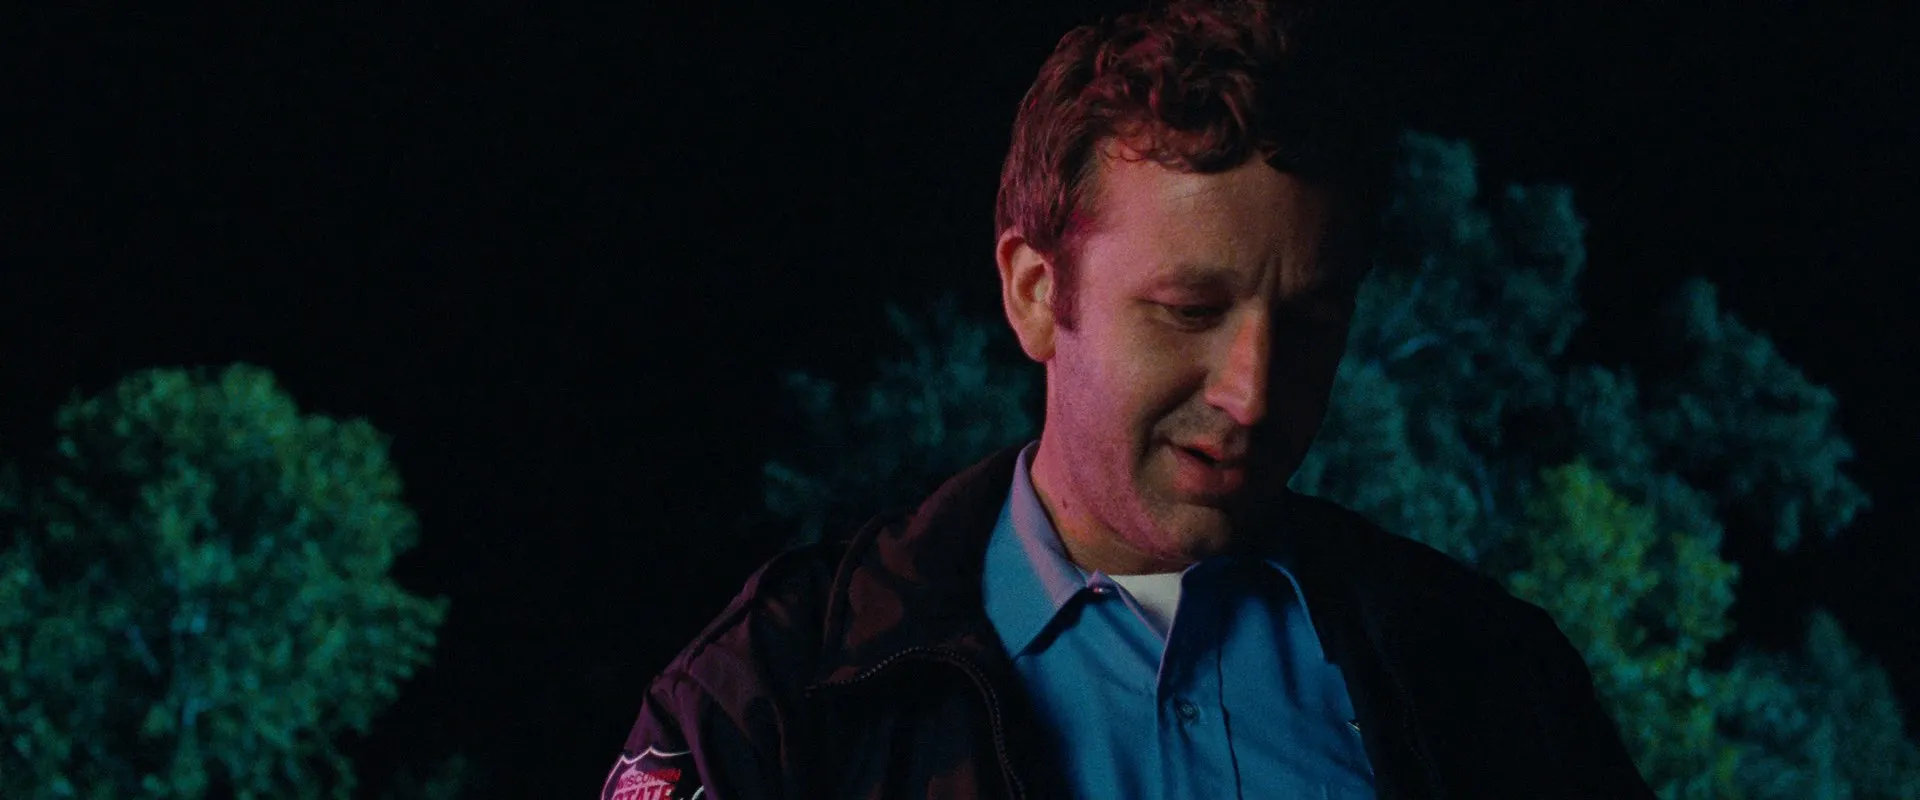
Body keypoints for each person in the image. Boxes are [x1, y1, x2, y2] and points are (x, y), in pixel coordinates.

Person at [601, 1, 1654, 797]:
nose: (1252, 394)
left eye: (1309, 320)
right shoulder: (772, 696)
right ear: (1034, 293)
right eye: (1189, 310)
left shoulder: (1493, 679)